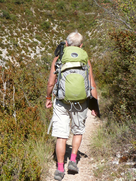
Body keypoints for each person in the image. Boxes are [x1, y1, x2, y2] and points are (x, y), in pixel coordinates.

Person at [45, 31, 99, 180]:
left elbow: (51, 83)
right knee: (77, 131)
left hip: (62, 102)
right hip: (81, 102)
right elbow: (92, 84)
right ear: (81, 46)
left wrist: (48, 97)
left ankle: (60, 169)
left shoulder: (58, 58)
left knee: (61, 136)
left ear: (66, 43)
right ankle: (73, 160)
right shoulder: (85, 60)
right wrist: (94, 105)